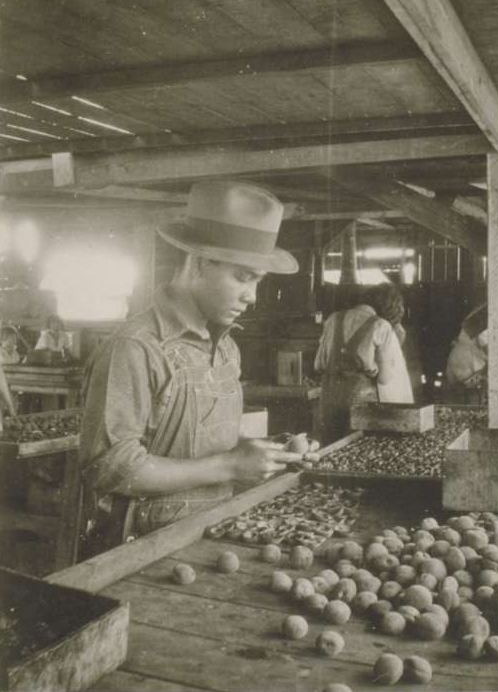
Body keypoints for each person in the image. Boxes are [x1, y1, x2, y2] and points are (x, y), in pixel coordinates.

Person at [79, 180, 304, 555]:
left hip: (214, 536)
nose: (252, 296)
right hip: (142, 549)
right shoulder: (135, 347)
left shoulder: (227, 348)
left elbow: (202, 448)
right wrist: (232, 466)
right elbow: (110, 467)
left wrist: (262, 453)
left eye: (257, 281)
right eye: (242, 277)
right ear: (199, 264)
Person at [314, 283, 413, 443]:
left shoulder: (333, 319)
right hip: (361, 401)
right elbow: (384, 379)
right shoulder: (381, 326)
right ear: (389, 307)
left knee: (330, 448)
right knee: (355, 449)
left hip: (329, 397)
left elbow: (318, 364)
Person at [445, 327, 488, 403]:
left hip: (457, 356)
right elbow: (485, 343)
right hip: (467, 361)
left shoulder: (473, 320)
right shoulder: (484, 322)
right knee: (472, 394)